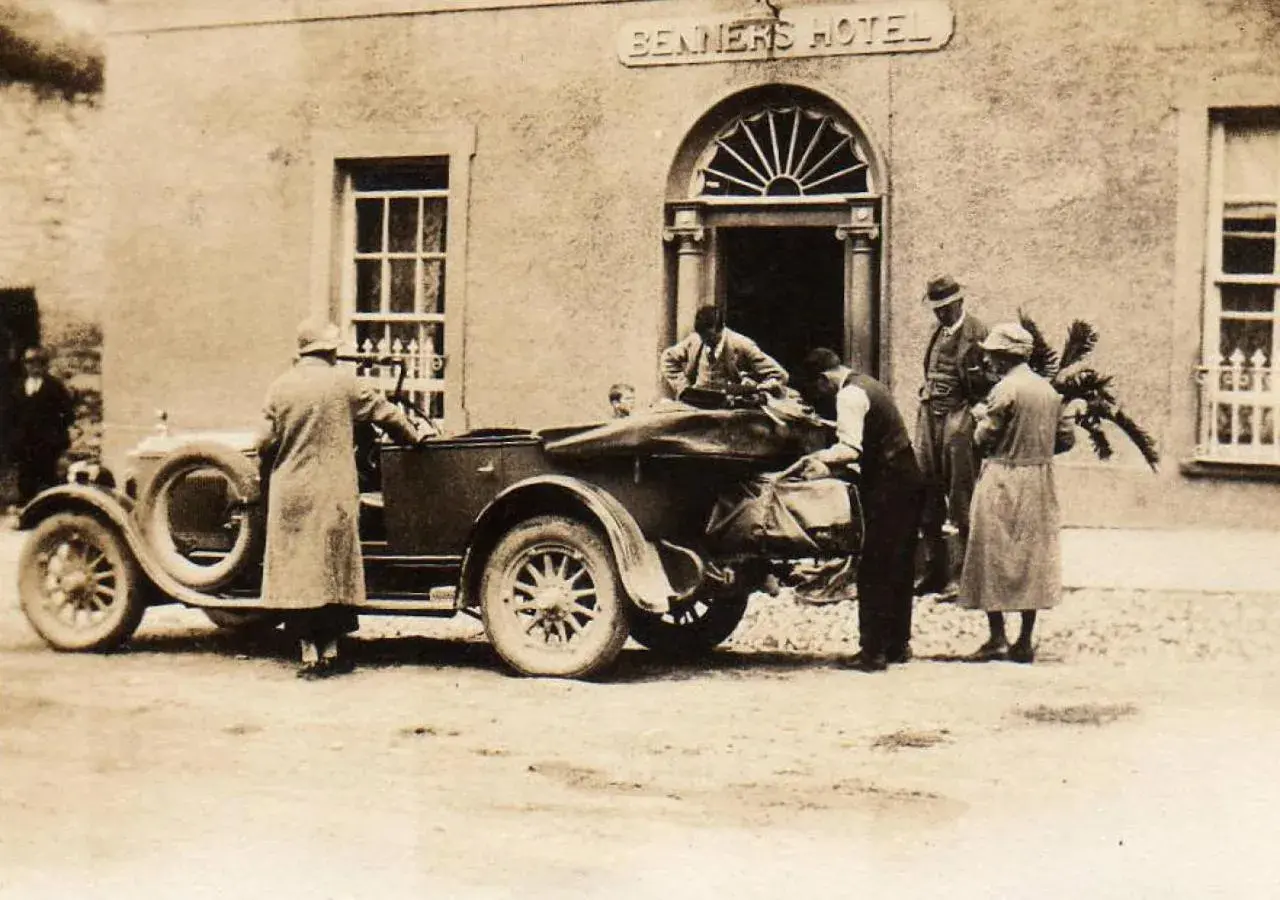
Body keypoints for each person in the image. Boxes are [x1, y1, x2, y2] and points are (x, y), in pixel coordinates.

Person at [255, 318, 434, 679]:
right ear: (332, 350)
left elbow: (262, 443)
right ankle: (333, 651)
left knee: (299, 574)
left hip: (290, 490)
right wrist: (416, 440)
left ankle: (308, 655)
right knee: (333, 569)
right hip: (333, 491)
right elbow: (388, 416)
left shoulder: (280, 388)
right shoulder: (347, 383)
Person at [793, 347, 925, 672]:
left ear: (824, 379)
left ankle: (872, 653)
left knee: (874, 566)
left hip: (889, 483)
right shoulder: (870, 383)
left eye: (817, 389)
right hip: (908, 474)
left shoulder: (849, 396)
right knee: (900, 564)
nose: (820, 395)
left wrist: (816, 461)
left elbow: (850, 448)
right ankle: (897, 645)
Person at [959, 322, 1077, 664]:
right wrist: (1036, 446)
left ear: (1005, 356)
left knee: (990, 552)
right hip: (1039, 478)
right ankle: (1024, 640)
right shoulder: (1049, 392)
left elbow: (983, 439)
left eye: (993, 355)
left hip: (1002, 475)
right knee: (1032, 557)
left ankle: (997, 636)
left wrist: (980, 416)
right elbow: (1066, 439)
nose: (989, 362)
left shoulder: (1005, 390)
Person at [914, 275, 990, 598]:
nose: (941, 314)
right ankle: (932, 570)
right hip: (930, 414)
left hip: (959, 416)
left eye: (946, 307)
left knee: (961, 493)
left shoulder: (977, 333)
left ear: (959, 302)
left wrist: (977, 412)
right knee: (925, 488)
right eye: (936, 309)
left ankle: (961, 576)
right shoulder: (936, 333)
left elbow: (990, 379)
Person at [660, 306, 788, 398]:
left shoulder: (742, 344)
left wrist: (759, 387)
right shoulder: (695, 340)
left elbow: (780, 375)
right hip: (697, 403)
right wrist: (683, 388)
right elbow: (667, 358)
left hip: (729, 405)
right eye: (702, 336)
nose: (706, 342)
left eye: (710, 337)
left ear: (721, 329)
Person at [11, 345, 75, 504]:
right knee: (26, 479)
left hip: (48, 444)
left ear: (44, 364)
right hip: (26, 444)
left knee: (49, 479)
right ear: (24, 365)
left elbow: (67, 414)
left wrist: (57, 436)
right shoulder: (19, 388)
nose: (33, 366)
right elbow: (12, 416)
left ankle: (49, 512)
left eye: (38, 362)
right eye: (29, 362)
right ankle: (26, 510)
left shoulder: (54, 387)